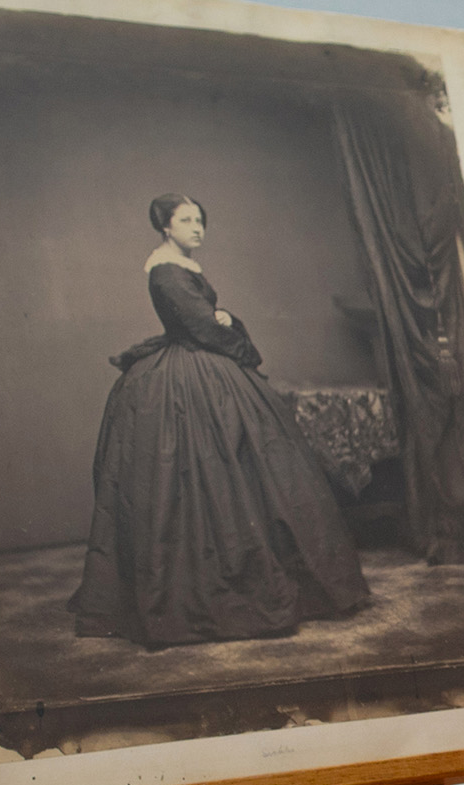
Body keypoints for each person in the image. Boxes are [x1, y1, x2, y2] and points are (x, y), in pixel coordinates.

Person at [69, 192, 369, 646]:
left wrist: (224, 316)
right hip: (191, 376)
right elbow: (201, 328)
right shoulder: (166, 271)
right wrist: (241, 345)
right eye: (185, 220)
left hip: (199, 365)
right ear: (165, 227)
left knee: (242, 472)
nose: (197, 227)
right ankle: (210, 591)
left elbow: (204, 318)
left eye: (200, 220)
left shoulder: (181, 267)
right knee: (206, 475)